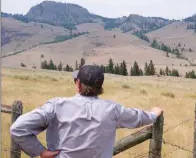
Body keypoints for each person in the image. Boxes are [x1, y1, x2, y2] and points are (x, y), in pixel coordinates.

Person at [10, 65, 163, 158]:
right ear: (100, 87)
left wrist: (40, 151)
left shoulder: (56, 106)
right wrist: (154, 114)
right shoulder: (112, 110)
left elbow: (18, 128)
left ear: (78, 84)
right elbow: (138, 118)